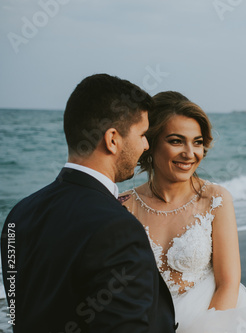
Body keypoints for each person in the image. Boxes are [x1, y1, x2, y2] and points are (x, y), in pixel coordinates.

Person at [1, 74, 176, 332]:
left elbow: (19, 312)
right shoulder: (118, 228)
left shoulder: (19, 214)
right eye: (142, 134)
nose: (146, 145)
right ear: (112, 139)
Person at [120, 91, 246, 332]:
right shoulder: (123, 206)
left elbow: (228, 283)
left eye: (197, 142)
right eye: (176, 141)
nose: (190, 153)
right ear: (151, 142)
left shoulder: (215, 200)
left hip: (216, 319)